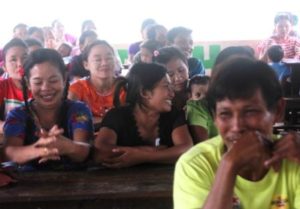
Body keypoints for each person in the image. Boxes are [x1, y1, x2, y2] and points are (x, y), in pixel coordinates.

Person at [174, 57, 300, 209]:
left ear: (278, 111)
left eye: (250, 112)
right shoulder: (196, 165)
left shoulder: (295, 158)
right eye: (225, 114)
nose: (237, 126)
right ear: (214, 117)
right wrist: (229, 166)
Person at [3, 48, 93, 171]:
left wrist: (68, 147)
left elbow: (84, 151)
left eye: (53, 80)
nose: (46, 88)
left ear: (64, 79)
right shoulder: (18, 115)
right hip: (29, 185)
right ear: (28, 83)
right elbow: (10, 152)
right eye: (38, 82)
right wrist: (41, 149)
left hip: (75, 183)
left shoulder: (79, 110)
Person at [94, 63, 193, 168]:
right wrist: (161, 154)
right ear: (145, 92)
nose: (172, 93)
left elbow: (187, 150)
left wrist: (142, 156)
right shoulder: (117, 116)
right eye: (166, 86)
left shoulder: (174, 114)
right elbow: (100, 153)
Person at [68, 40, 126, 131]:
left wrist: (91, 118)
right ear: (86, 65)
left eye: (109, 58)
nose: (104, 63)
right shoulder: (77, 89)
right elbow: (73, 118)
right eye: (98, 59)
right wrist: (110, 121)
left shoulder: (125, 87)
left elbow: (131, 118)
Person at [0, 38, 30, 135]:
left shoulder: (42, 87)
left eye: (25, 58)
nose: (20, 64)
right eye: (13, 60)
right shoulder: (2, 86)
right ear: (4, 67)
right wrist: (14, 128)